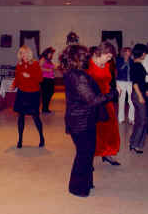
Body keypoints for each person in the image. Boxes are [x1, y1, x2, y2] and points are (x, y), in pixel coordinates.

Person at [59, 44, 118, 197]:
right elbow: (92, 100)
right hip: (81, 121)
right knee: (84, 154)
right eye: (84, 55)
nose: (87, 56)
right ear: (78, 58)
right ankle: (78, 188)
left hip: (82, 119)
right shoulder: (78, 76)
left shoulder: (75, 73)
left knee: (86, 153)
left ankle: (85, 183)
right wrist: (112, 94)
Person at [87, 41, 121, 166]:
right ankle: (89, 159)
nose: (109, 59)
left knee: (110, 129)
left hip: (107, 101)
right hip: (94, 102)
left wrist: (115, 89)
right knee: (94, 131)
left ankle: (107, 154)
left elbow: (110, 80)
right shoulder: (88, 65)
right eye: (108, 56)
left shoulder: (107, 65)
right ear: (102, 52)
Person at [10, 45, 45, 148]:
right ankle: (20, 140)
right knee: (20, 117)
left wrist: (30, 76)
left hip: (33, 94)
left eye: (25, 53)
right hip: (22, 93)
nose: (23, 55)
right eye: (21, 53)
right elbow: (17, 78)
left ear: (29, 54)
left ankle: (41, 137)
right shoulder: (19, 65)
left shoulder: (35, 64)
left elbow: (40, 79)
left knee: (36, 117)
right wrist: (13, 85)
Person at [129, 44, 148, 154]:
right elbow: (135, 83)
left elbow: (140, 82)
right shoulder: (137, 66)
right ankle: (135, 144)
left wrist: (145, 91)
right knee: (143, 120)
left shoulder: (136, 65)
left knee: (139, 120)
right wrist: (141, 96)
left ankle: (133, 142)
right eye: (145, 53)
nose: (145, 54)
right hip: (138, 95)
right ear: (142, 54)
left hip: (138, 94)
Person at [116, 47, 135, 124]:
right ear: (123, 53)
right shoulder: (119, 60)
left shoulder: (132, 61)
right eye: (126, 52)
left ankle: (131, 118)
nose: (127, 54)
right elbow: (118, 69)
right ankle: (121, 119)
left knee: (131, 101)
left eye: (129, 52)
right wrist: (125, 63)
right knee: (121, 100)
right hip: (120, 81)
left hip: (130, 82)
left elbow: (134, 71)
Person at [39, 47, 56, 114]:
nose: (51, 55)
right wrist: (48, 70)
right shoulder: (43, 59)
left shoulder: (49, 60)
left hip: (50, 79)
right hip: (45, 79)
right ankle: (45, 109)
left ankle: (46, 108)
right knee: (46, 94)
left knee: (50, 93)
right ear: (47, 53)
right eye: (50, 53)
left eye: (52, 54)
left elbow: (51, 67)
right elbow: (39, 68)